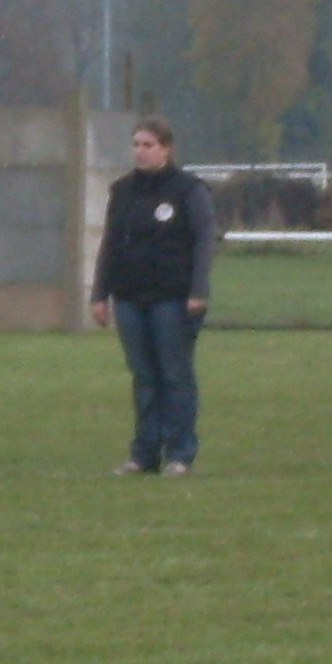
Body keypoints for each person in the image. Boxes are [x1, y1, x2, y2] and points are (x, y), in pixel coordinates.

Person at [90, 116, 215, 477]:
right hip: (130, 296)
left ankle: (180, 452)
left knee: (174, 375)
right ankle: (144, 453)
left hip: (173, 298)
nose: (140, 152)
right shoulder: (123, 191)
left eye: (148, 145)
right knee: (143, 377)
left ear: (166, 149)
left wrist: (198, 289)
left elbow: (205, 240)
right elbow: (110, 245)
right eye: (136, 145)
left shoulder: (189, 191)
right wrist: (101, 294)